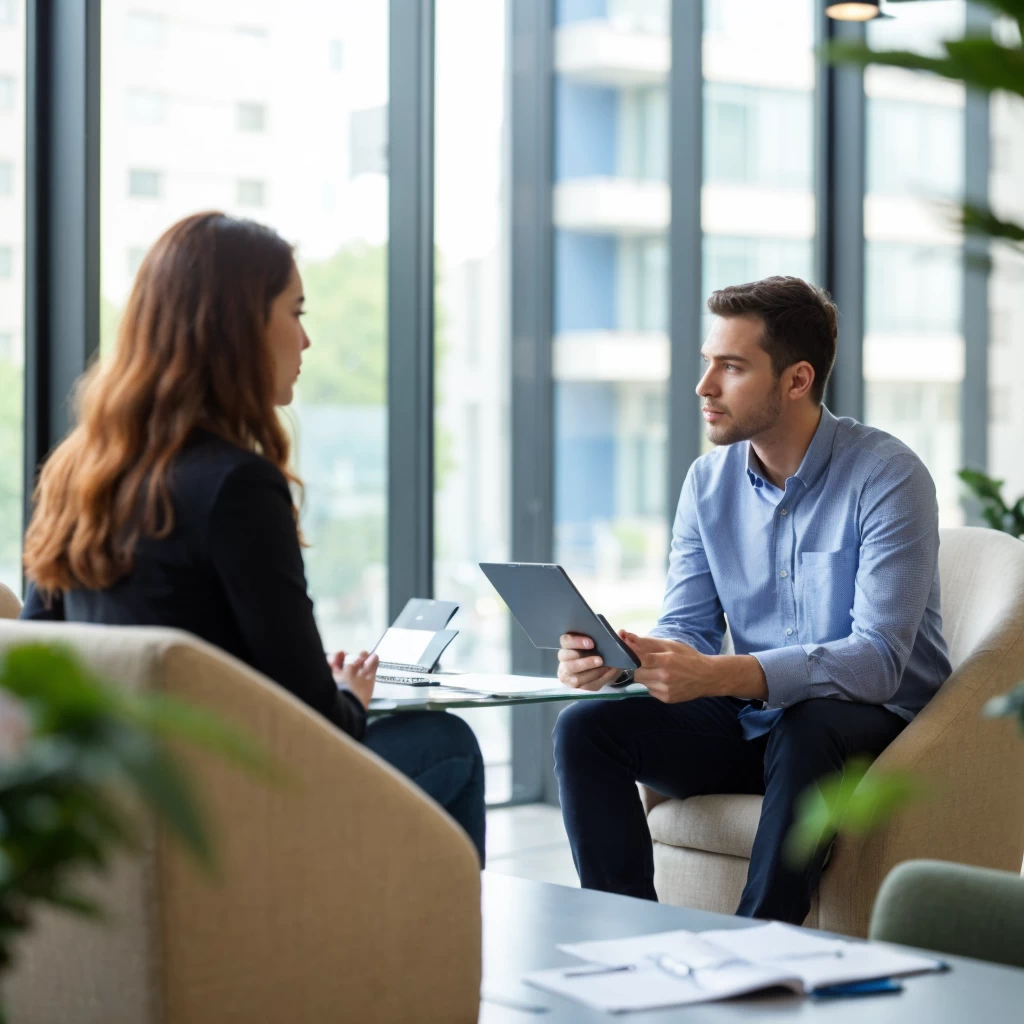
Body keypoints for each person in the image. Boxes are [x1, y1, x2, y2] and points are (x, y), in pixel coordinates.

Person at [19, 211, 485, 864]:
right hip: (228, 799)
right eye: (295, 312)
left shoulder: (78, 472)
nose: (306, 340)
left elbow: (40, 649)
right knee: (449, 744)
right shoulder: (235, 485)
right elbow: (317, 728)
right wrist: (352, 695)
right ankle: (422, 958)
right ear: (237, 329)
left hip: (119, 795)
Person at [552, 276, 951, 924]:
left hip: (872, 729)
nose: (704, 386)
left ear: (796, 380)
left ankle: (758, 946)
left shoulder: (887, 475)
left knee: (810, 720)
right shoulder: (707, 483)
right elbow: (688, 628)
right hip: (757, 724)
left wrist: (721, 675)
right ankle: (626, 940)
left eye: (731, 367)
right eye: (708, 363)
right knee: (585, 729)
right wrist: (626, 659)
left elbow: (877, 661)